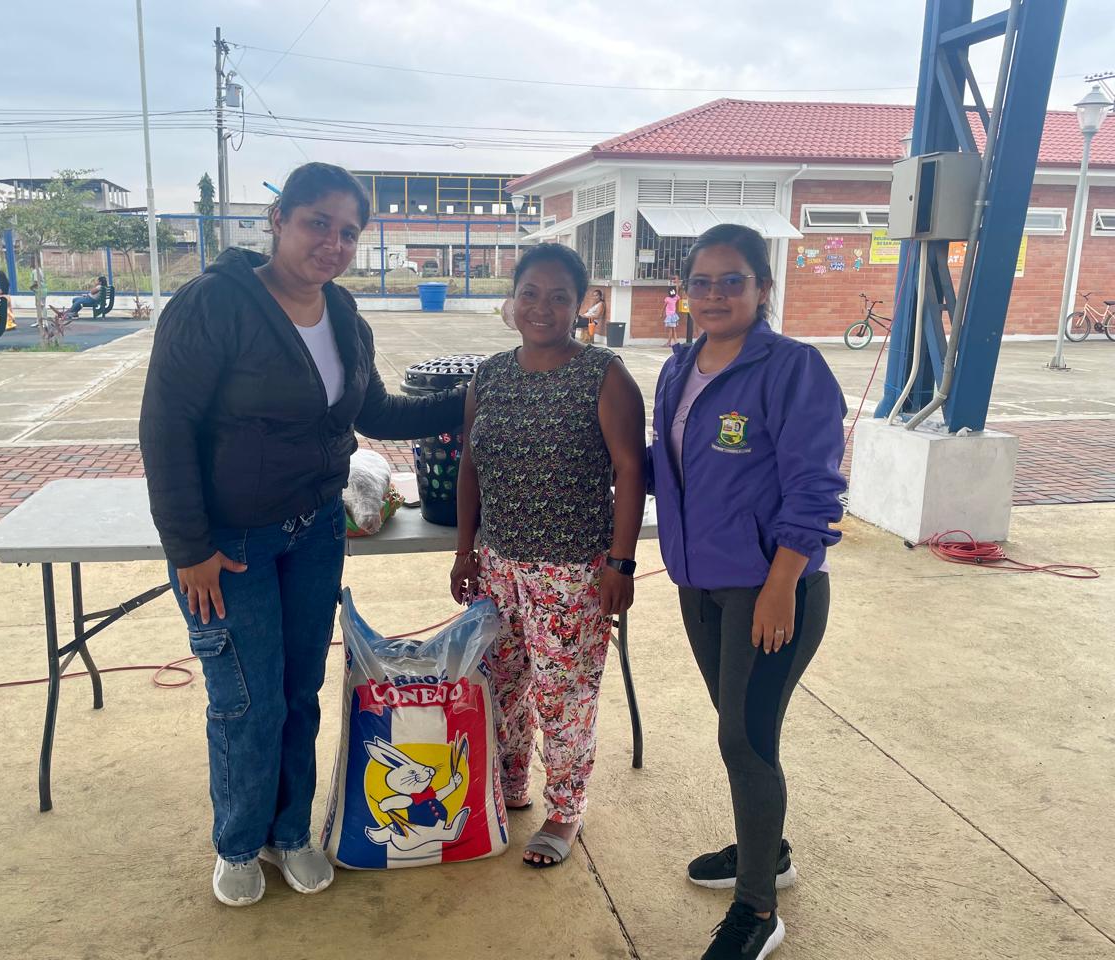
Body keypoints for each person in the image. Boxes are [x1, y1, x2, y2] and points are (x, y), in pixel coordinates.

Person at [139, 161, 466, 909]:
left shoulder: (342, 312)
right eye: (319, 223)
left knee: (299, 692)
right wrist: (189, 548)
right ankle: (238, 842)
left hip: (315, 531)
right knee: (246, 700)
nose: (333, 243)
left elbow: (373, 411)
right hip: (231, 543)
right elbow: (165, 429)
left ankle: (289, 833)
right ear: (278, 219)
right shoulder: (214, 303)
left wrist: (469, 399)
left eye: (349, 232)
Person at [648, 224, 846, 960]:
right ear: (685, 292)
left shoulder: (792, 368)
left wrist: (781, 583)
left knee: (744, 738)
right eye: (701, 282)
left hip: (770, 591)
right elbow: (671, 467)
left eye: (732, 280)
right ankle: (770, 847)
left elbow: (815, 486)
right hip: (699, 585)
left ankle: (758, 908)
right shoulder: (680, 368)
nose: (715, 295)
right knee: (742, 730)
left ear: (763, 288)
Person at [450, 243, 645, 868]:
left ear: (580, 304)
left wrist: (620, 563)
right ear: (512, 300)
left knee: (564, 695)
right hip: (496, 566)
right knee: (501, 685)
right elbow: (470, 466)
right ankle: (510, 785)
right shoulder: (489, 375)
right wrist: (464, 551)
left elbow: (630, 470)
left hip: (572, 571)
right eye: (530, 293)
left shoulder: (604, 375)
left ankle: (565, 809)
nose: (542, 307)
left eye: (559, 296)